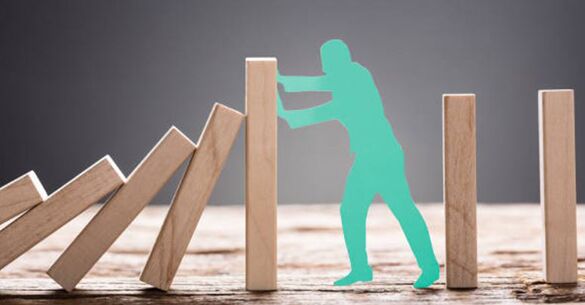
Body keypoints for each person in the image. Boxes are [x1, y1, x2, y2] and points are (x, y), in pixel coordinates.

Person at [277, 39, 439, 288]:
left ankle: (429, 268)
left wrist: (284, 94)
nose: (325, 71)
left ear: (340, 60)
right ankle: (361, 268)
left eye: (328, 65)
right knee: (352, 211)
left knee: (403, 210)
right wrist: (282, 88)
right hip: (368, 158)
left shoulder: (356, 77)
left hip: (383, 156)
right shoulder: (347, 82)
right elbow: (319, 90)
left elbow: (321, 98)